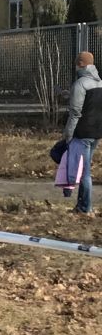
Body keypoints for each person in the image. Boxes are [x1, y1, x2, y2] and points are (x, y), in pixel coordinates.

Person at [62, 51, 102, 216]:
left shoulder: (80, 84)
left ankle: (86, 208)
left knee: (84, 173)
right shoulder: (100, 83)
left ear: (80, 64)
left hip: (82, 132)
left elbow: (76, 112)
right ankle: (81, 206)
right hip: (96, 133)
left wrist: (68, 134)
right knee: (85, 169)